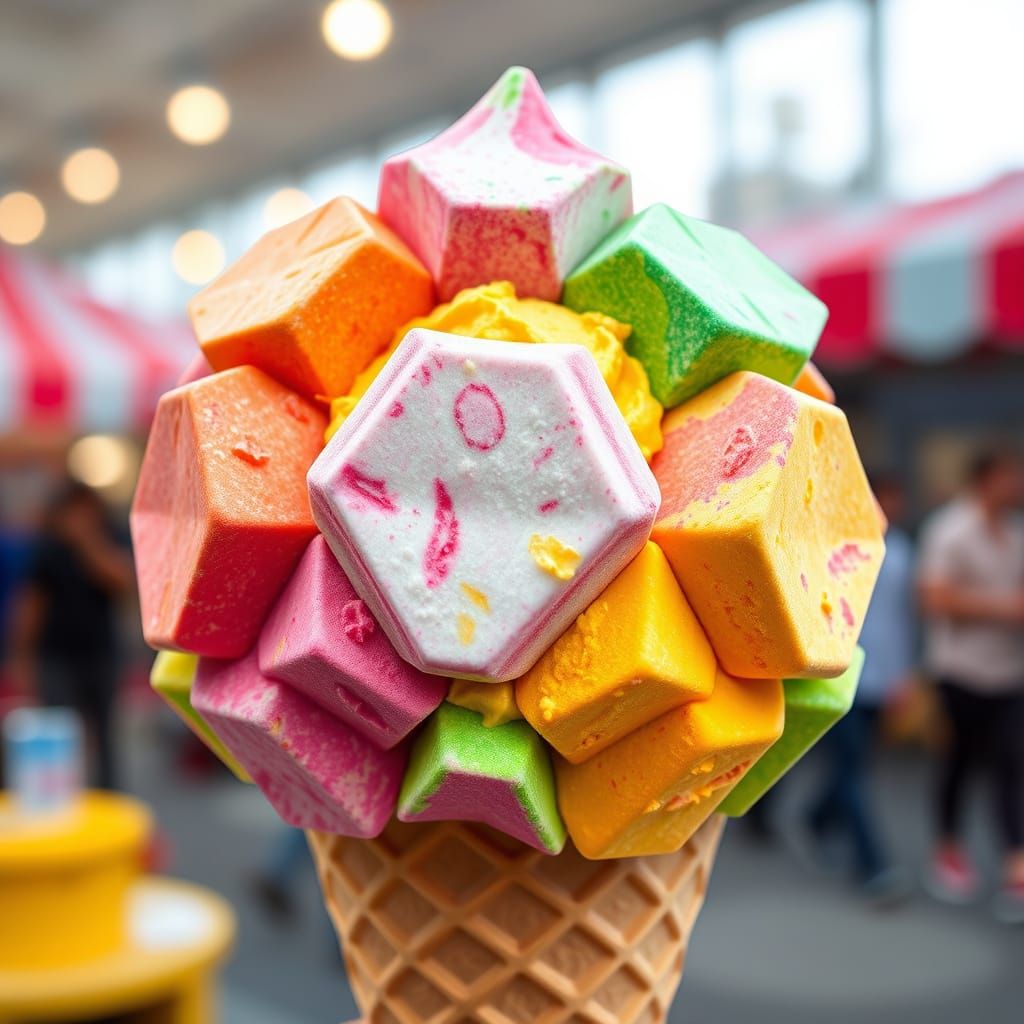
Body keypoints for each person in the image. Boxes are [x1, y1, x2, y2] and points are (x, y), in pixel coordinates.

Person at [918, 444, 1024, 924]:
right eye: (1009, 476)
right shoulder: (949, 530)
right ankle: (947, 849)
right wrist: (1005, 609)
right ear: (987, 478)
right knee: (960, 761)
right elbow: (935, 599)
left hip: (1009, 671)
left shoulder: (1016, 532)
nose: (1017, 485)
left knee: (1011, 764)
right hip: (961, 670)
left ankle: (1014, 864)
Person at [804, 473, 914, 904]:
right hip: (839, 672)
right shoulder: (829, 544)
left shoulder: (900, 552)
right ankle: (873, 865)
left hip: (881, 677)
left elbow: (901, 621)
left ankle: (815, 818)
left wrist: (903, 674)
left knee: (853, 766)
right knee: (852, 770)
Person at [7, 479, 133, 790]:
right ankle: (63, 795)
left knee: (105, 732)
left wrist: (88, 543)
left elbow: (123, 582)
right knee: (59, 730)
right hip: (56, 655)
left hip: (100, 652)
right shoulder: (49, 546)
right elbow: (31, 604)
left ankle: (108, 795)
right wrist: (22, 657)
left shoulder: (112, 536)